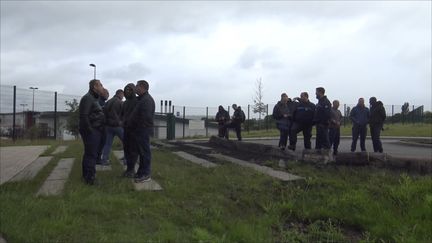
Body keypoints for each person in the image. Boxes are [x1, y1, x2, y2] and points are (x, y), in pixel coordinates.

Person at [79, 79, 105, 185]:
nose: (102, 87)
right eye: (101, 85)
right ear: (95, 87)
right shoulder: (88, 98)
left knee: (89, 153)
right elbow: (84, 116)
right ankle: (90, 178)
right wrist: (90, 130)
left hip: (95, 129)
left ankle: (86, 176)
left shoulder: (94, 98)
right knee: (91, 155)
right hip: (91, 131)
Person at [128, 80, 155, 182]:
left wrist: (137, 127)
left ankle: (146, 174)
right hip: (139, 130)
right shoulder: (142, 99)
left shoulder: (147, 100)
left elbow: (145, 118)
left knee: (144, 152)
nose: (135, 87)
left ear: (142, 87)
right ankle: (141, 172)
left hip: (142, 130)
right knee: (141, 152)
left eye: (137, 86)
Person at [101, 89, 124, 165]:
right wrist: (120, 122)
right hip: (117, 126)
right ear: (120, 94)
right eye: (123, 95)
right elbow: (123, 114)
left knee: (107, 144)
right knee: (126, 142)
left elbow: (103, 112)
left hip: (108, 126)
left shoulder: (108, 101)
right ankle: (127, 159)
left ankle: (104, 160)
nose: (123, 96)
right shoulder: (120, 102)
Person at [121, 83, 139, 177]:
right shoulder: (125, 102)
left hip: (134, 130)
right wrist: (122, 121)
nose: (127, 91)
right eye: (126, 90)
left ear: (133, 90)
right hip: (126, 129)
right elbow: (122, 114)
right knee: (126, 149)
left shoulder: (137, 101)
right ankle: (129, 169)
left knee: (133, 150)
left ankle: (131, 170)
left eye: (129, 90)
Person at [96, 88, 109, 165]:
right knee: (100, 143)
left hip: (103, 125)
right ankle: (97, 159)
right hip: (100, 126)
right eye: (106, 93)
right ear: (102, 93)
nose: (108, 95)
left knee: (103, 143)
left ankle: (98, 158)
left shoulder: (103, 102)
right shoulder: (99, 101)